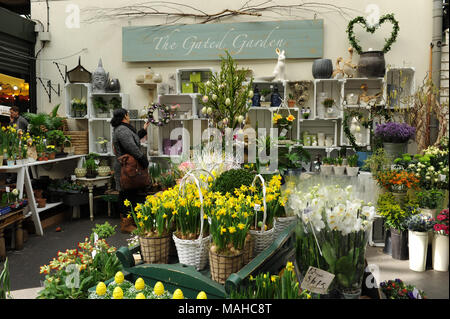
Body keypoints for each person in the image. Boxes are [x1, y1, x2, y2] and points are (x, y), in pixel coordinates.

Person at [111, 108, 150, 233]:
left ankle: (130, 221)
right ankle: (126, 224)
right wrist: (142, 159)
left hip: (128, 168)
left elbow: (132, 140)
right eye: (128, 114)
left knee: (129, 194)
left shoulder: (122, 128)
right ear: (125, 116)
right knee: (126, 194)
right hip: (126, 169)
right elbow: (131, 146)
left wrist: (143, 130)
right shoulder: (122, 130)